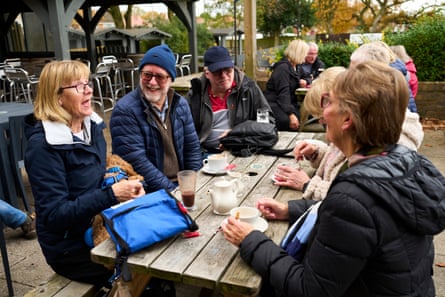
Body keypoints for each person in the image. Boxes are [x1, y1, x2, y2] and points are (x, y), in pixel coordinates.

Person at [221, 61, 445, 297]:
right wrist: (290, 209)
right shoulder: (404, 162)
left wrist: (251, 241)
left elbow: (309, 289)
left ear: (347, 119)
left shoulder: (353, 197)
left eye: (329, 102)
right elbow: (367, 217)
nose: (323, 112)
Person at [24, 60, 145, 288]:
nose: (89, 89)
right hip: (70, 248)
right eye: (78, 86)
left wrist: (124, 182)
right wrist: (112, 194)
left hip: (100, 225)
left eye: (87, 83)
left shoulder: (91, 128)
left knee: (157, 243)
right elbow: (54, 215)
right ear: (57, 97)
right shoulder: (43, 147)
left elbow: (97, 175)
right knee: (145, 268)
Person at [274, 55, 423, 198]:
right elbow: (341, 162)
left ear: (348, 112)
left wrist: (307, 185)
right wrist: (316, 152)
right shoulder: (364, 133)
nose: (321, 121)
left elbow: (351, 194)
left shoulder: (384, 150)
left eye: (327, 104)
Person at [110, 44, 202, 192]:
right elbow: (137, 163)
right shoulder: (125, 110)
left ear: (171, 79)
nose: (152, 82)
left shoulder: (180, 104)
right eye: (147, 75)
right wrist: (174, 192)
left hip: (182, 184)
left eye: (159, 76)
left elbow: (192, 149)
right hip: (147, 190)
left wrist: (193, 184)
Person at [186, 46, 274, 152]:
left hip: (242, 150)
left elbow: (268, 123)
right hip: (205, 153)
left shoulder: (249, 88)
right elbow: (185, 134)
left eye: (228, 70)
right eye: (217, 72)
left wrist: (237, 133)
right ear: (207, 73)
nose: (224, 75)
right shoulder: (195, 95)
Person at [263, 40, 309, 131]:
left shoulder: (296, 66)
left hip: (286, 102)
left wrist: (306, 81)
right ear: (299, 53)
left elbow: (307, 76)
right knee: (288, 121)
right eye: (305, 53)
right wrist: (290, 114)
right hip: (274, 103)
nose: (306, 56)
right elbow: (283, 94)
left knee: (299, 118)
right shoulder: (283, 68)